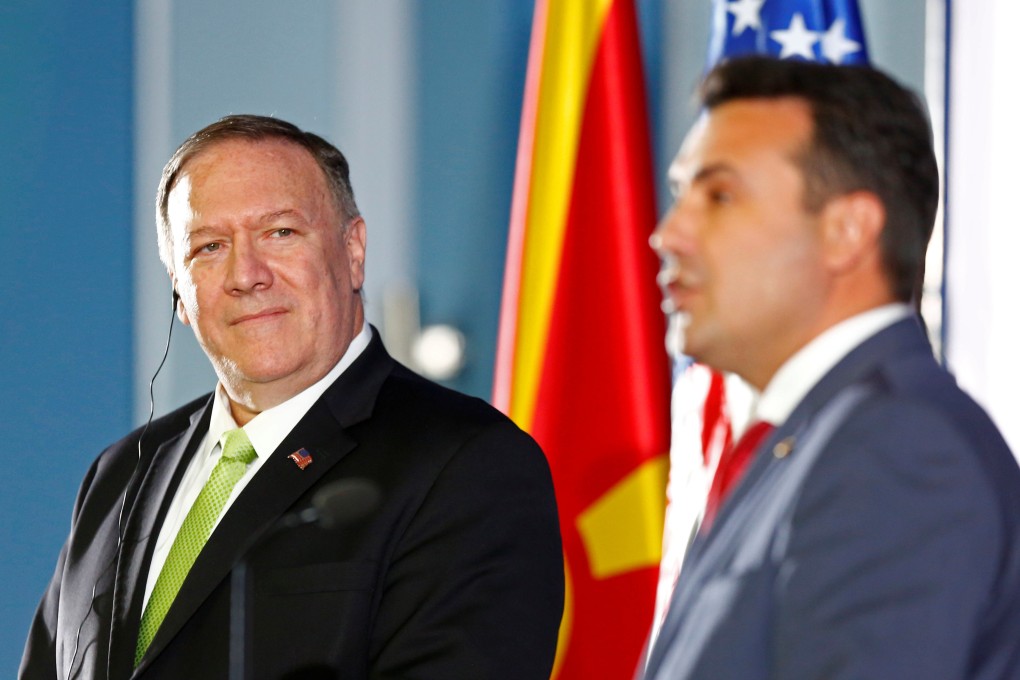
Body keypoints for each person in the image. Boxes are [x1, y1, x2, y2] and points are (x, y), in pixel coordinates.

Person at [20, 115, 564, 680]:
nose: (247, 275)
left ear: (353, 250)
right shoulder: (121, 473)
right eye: (209, 247)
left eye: (280, 233)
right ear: (179, 291)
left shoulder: (468, 464)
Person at [643, 56, 1020, 679]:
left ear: (847, 231)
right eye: (682, 195)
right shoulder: (811, 439)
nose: (669, 233)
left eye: (721, 195)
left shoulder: (899, 446)